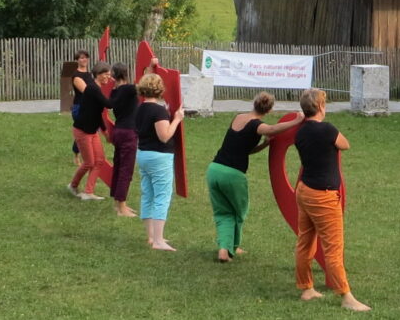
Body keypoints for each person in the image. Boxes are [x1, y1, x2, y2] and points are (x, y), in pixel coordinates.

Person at [293, 88, 370, 312]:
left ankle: (306, 288)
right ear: (320, 107)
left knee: (305, 242)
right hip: (323, 196)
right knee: (333, 247)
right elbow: (344, 144)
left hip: (304, 190)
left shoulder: (300, 132)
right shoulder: (326, 129)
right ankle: (346, 296)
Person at [207, 92, 304, 262]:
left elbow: (245, 150)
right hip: (233, 175)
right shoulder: (257, 126)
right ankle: (228, 248)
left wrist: (265, 144)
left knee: (223, 212)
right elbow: (272, 129)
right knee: (238, 212)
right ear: (270, 109)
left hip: (214, 170)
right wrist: (297, 120)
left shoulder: (238, 118)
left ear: (254, 103)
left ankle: (227, 248)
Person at [135, 72, 184, 250]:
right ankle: (158, 240)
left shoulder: (140, 108)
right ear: (159, 89)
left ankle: (151, 237)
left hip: (143, 154)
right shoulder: (159, 111)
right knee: (162, 196)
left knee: (147, 194)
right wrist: (177, 119)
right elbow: (164, 136)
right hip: (159, 156)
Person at [68, 61, 111, 201]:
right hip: (82, 131)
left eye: (109, 75)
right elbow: (108, 104)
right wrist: (124, 94)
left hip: (92, 131)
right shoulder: (93, 88)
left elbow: (97, 113)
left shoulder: (95, 89)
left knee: (99, 161)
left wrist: (104, 131)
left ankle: (88, 192)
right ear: (98, 75)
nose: (108, 78)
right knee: (89, 162)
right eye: (106, 75)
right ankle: (73, 186)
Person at [108, 64, 140, 217]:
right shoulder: (129, 89)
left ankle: (117, 203)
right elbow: (144, 84)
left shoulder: (113, 92)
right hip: (128, 133)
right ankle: (122, 207)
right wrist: (151, 66)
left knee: (119, 166)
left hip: (118, 131)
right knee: (126, 170)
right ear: (126, 74)